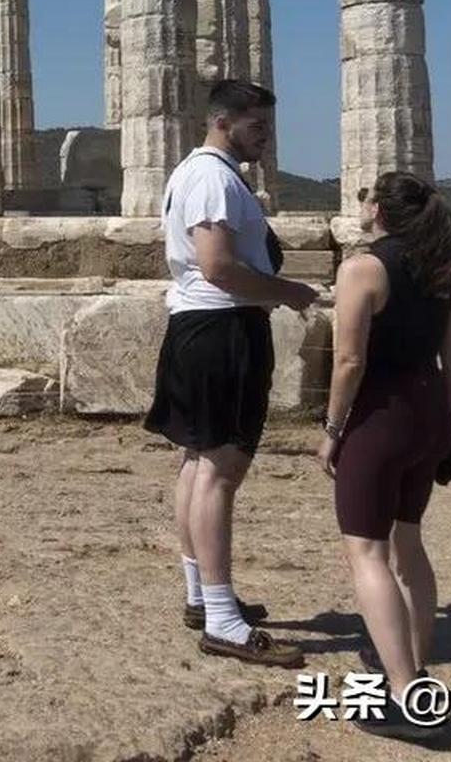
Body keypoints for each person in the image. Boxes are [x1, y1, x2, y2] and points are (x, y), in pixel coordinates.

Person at [145, 80, 319, 668]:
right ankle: (223, 622)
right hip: (221, 330)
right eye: (258, 128)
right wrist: (289, 291)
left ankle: (203, 596)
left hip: (199, 328)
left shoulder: (193, 172)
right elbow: (218, 266)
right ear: (224, 122)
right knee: (221, 469)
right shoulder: (215, 178)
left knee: (198, 462)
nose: (266, 139)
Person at [317, 171, 451, 740]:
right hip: (428, 416)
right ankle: (416, 668)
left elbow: (349, 362)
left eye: (364, 196)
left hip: (380, 418)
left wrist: (332, 428)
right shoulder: (443, 274)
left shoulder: (361, 269)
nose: (362, 204)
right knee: (408, 544)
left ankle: (404, 694)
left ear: (378, 210)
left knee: (367, 554)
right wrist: (450, 431)